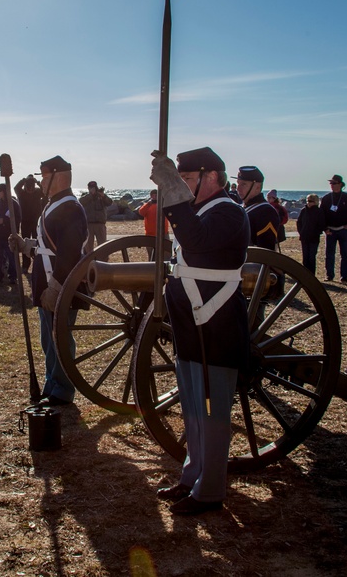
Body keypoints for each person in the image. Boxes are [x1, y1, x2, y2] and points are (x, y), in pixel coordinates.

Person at [149, 147, 250, 516]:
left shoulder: (228, 211)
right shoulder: (202, 209)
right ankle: (192, 476)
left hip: (216, 325)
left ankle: (210, 491)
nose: (181, 187)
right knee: (193, 407)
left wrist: (172, 193)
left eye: (187, 180)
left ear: (211, 177)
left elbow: (196, 240)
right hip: (193, 323)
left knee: (212, 411)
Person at [9, 156, 87, 407]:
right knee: (48, 340)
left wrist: (56, 288)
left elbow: (70, 253)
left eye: (44, 177)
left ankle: (62, 391)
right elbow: (46, 248)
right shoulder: (54, 204)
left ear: (58, 177)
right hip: (48, 281)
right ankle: (51, 385)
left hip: (60, 284)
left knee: (59, 340)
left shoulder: (71, 207)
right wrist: (24, 245)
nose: (41, 182)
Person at [320, 174, 347, 284]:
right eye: (331, 183)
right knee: (329, 254)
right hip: (330, 230)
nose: (332, 185)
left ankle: (344, 276)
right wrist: (325, 228)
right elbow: (321, 215)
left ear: (340, 185)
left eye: (334, 183)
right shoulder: (327, 198)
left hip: (343, 230)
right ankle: (329, 275)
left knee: (345, 253)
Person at [235, 166, 279, 250]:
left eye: (243, 184)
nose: (238, 188)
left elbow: (265, 252)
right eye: (238, 183)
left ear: (257, 187)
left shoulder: (266, 212)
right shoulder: (240, 208)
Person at [0, 184, 21, 284]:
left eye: (0, 191)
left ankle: (13, 277)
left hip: (9, 236)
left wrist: (5, 221)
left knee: (12, 257)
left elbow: (18, 218)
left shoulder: (13, 204)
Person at [15, 174, 46, 273]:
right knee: (25, 244)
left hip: (36, 221)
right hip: (25, 222)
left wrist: (37, 182)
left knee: (38, 243)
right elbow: (16, 187)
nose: (30, 190)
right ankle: (25, 265)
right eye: (29, 188)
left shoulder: (37, 192)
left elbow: (45, 190)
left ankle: (38, 263)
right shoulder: (21, 193)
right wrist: (23, 180)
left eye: (32, 188)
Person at [296, 193, 326, 275]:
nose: (308, 203)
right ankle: (305, 274)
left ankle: (312, 274)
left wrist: (317, 232)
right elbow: (299, 222)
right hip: (304, 237)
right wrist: (301, 232)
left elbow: (321, 224)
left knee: (311, 257)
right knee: (305, 257)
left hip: (314, 238)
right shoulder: (304, 210)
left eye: (311, 201)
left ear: (315, 202)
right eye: (307, 201)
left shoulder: (319, 211)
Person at [79, 180, 112, 254]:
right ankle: (89, 262)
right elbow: (80, 202)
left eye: (94, 188)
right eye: (91, 188)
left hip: (100, 224)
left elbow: (110, 202)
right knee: (88, 247)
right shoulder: (86, 197)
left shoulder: (101, 196)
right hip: (89, 224)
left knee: (103, 245)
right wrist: (91, 195)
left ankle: (103, 261)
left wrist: (103, 196)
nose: (92, 189)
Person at [136, 189, 169, 254]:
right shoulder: (147, 205)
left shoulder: (164, 205)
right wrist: (149, 204)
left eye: (157, 195)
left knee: (166, 254)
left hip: (163, 233)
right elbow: (141, 212)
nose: (155, 197)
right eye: (153, 195)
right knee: (151, 255)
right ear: (151, 196)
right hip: (150, 234)